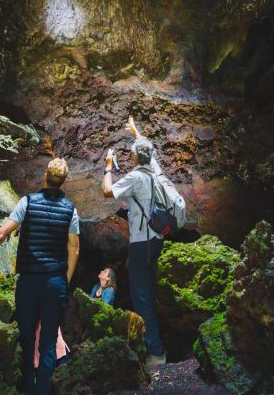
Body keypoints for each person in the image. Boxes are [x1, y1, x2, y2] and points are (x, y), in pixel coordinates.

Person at [0, 158, 80, 395]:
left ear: (45, 176)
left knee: (27, 340)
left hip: (29, 281)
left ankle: (28, 388)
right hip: (55, 281)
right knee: (48, 344)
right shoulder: (71, 210)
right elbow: (74, 249)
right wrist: (65, 279)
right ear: (64, 182)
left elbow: (0, 234)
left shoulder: (27, 202)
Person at [101, 116, 166, 366]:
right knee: (148, 290)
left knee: (142, 297)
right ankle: (156, 343)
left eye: (131, 154)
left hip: (141, 243)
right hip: (157, 239)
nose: (130, 158)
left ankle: (156, 352)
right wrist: (136, 132)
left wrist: (108, 166)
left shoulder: (137, 176)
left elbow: (108, 191)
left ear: (136, 158)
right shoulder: (155, 170)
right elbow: (147, 148)